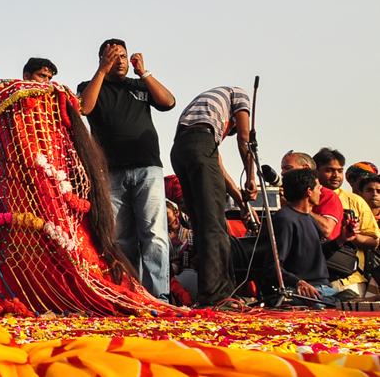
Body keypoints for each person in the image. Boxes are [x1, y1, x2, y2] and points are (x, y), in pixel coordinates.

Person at [76, 38, 177, 301]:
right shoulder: (89, 87)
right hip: (110, 172)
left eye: (123, 55)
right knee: (122, 240)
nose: (119, 60)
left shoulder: (140, 85)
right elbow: (84, 108)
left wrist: (144, 72)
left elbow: (168, 102)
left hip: (147, 168)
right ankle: (132, 295)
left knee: (154, 235)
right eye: (112, 56)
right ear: (102, 60)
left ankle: (160, 297)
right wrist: (101, 70)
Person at [168, 86, 256, 307]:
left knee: (204, 224)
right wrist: (251, 177)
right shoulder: (239, 94)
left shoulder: (204, 117)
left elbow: (218, 168)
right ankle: (216, 296)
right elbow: (245, 139)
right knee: (215, 226)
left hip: (180, 151)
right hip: (198, 146)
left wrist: (241, 202)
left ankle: (217, 294)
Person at [314, 149, 379, 300]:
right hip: (312, 281)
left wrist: (350, 235)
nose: (336, 175)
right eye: (329, 170)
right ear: (315, 171)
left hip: (350, 281)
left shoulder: (355, 201)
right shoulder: (305, 199)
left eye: (339, 170)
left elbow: (373, 242)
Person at [273, 169, 338, 306]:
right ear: (309, 191)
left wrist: (342, 239)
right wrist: (298, 282)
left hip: (324, 290)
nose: (320, 192)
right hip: (303, 291)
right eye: (318, 188)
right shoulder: (285, 219)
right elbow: (272, 265)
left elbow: (316, 256)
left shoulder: (309, 218)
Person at [282, 152, 344, 240]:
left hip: (323, 251)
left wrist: (296, 206)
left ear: (306, 168)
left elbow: (326, 230)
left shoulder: (328, 195)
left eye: (288, 168)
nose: (283, 173)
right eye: (282, 169)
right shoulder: (282, 195)